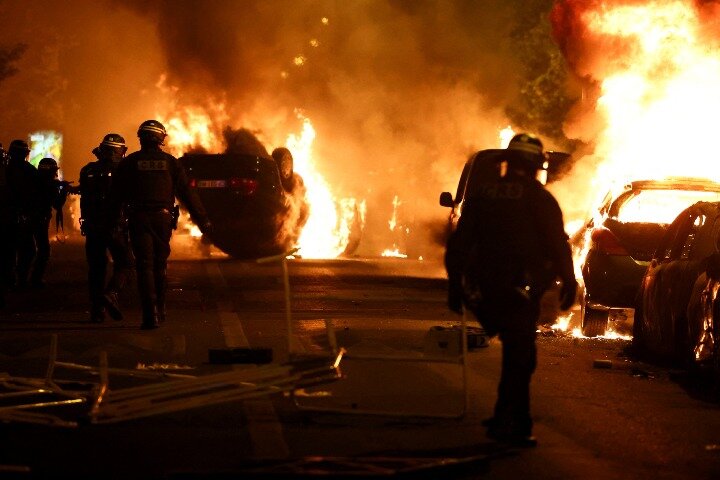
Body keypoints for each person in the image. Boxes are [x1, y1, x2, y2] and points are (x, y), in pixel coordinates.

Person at [444, 133, 577, 447]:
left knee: (514, 352)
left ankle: (506, 415)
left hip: (484, 289)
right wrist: (569, 281)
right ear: (536, 166)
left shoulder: (482, 196)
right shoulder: (539, 198)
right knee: (520, 357)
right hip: (520, 290)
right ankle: (512, 424)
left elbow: (459, 245)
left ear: (507, 163)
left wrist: (455, 286)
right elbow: (557, 245)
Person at [109, 120, 211, 329]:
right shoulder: (171, 163)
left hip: (138, 219)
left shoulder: (130, 163)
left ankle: (150, 315)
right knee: (159, 265)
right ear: (161, 139)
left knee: (144, 265)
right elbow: (188, 194)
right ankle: (161, 308)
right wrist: (203, 221)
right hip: (162, 220)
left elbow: (115, 196)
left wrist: (111, 222)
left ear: (141, 138)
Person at [77, 134, 134, 323]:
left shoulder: (87, 170)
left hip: (93, 226)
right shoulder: (125, 170)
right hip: (116, 226)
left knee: (96, 268)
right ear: (121, 151)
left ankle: (97, 310)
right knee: (126, 263)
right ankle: (111, 293)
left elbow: (85, 196)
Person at [28, 157, 69, 288]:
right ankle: (35, 279)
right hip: (40, 220)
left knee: (26, 250)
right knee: (43, 250)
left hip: (25, 219)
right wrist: (64, 191)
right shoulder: (50, 185)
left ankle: (20, 278)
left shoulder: (32, 181)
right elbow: (57, 204)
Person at [5, 139, 39, 289]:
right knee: (27, 250)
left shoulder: (5, 169)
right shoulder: (29, 170)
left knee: (8, 250)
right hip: (21, 216)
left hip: (8, 216)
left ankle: (9, 280)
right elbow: (36, 193)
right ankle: (20, 279)